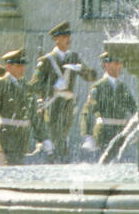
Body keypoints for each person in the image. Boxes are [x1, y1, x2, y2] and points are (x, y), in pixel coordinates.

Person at [27, 21, 97, 162]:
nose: (68, 40)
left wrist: (80, 69)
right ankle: (53, 165)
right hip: (52, 106)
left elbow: (92, 76)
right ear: (56, 39)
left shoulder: (73, 58)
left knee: (63, 137)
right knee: (54, 138)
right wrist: (52, 88)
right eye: (64, 36)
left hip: (68, 106)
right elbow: (33, 86)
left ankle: (59, 163)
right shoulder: (46, 60)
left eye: (69, 36)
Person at [80, 50, 138, 157]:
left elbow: (134, 110)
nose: (119, 67)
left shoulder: (122, 87)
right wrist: (88, 135)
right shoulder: (98, 87)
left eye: (121, 64)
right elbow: (87, 111)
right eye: (116, 63)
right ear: (105, 64)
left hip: (121, 132)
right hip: (104, 132)